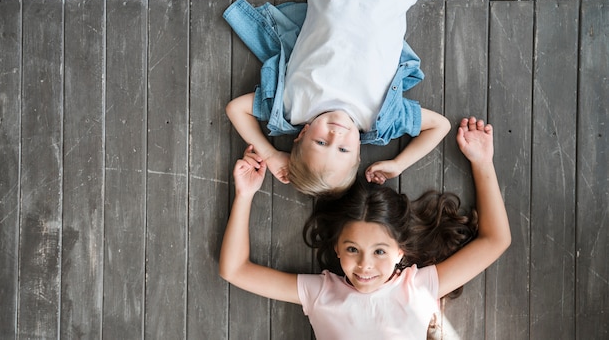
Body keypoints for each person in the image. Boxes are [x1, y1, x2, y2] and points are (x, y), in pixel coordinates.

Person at [219, 117, 511, 339]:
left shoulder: (418, 288)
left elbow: (495, 241)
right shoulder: (321, 293)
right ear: (337, 248)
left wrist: (482, 162)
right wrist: (245, 195)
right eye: (352, 249)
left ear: (400, 251)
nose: (365, 265)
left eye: (380, 251)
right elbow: (235, 271)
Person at [224, 0, 451, 197]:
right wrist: (399, 163)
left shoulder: (290, 108)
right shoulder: (381, 121)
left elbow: (236, 109)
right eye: (343, 149)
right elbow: (440, 126)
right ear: (358, 153)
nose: (335, 135)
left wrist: (271, 154)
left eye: (320, 142)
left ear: (302, 133)